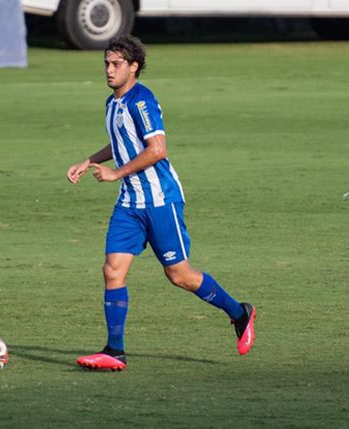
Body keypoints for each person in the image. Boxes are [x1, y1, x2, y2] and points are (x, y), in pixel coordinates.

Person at [66, 35, 256, 371]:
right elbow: (122, 141)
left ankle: (240, 312)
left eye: (116, 65)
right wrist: (89, 160)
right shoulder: (112, 103)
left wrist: (115, 174)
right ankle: (115, 351)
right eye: (106, 64)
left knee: (179, 275)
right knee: (112, 270)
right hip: (130, 204)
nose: (109, 70)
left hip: (160, 200)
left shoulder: (143, 102)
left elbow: (157, 150)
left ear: (134, 67)